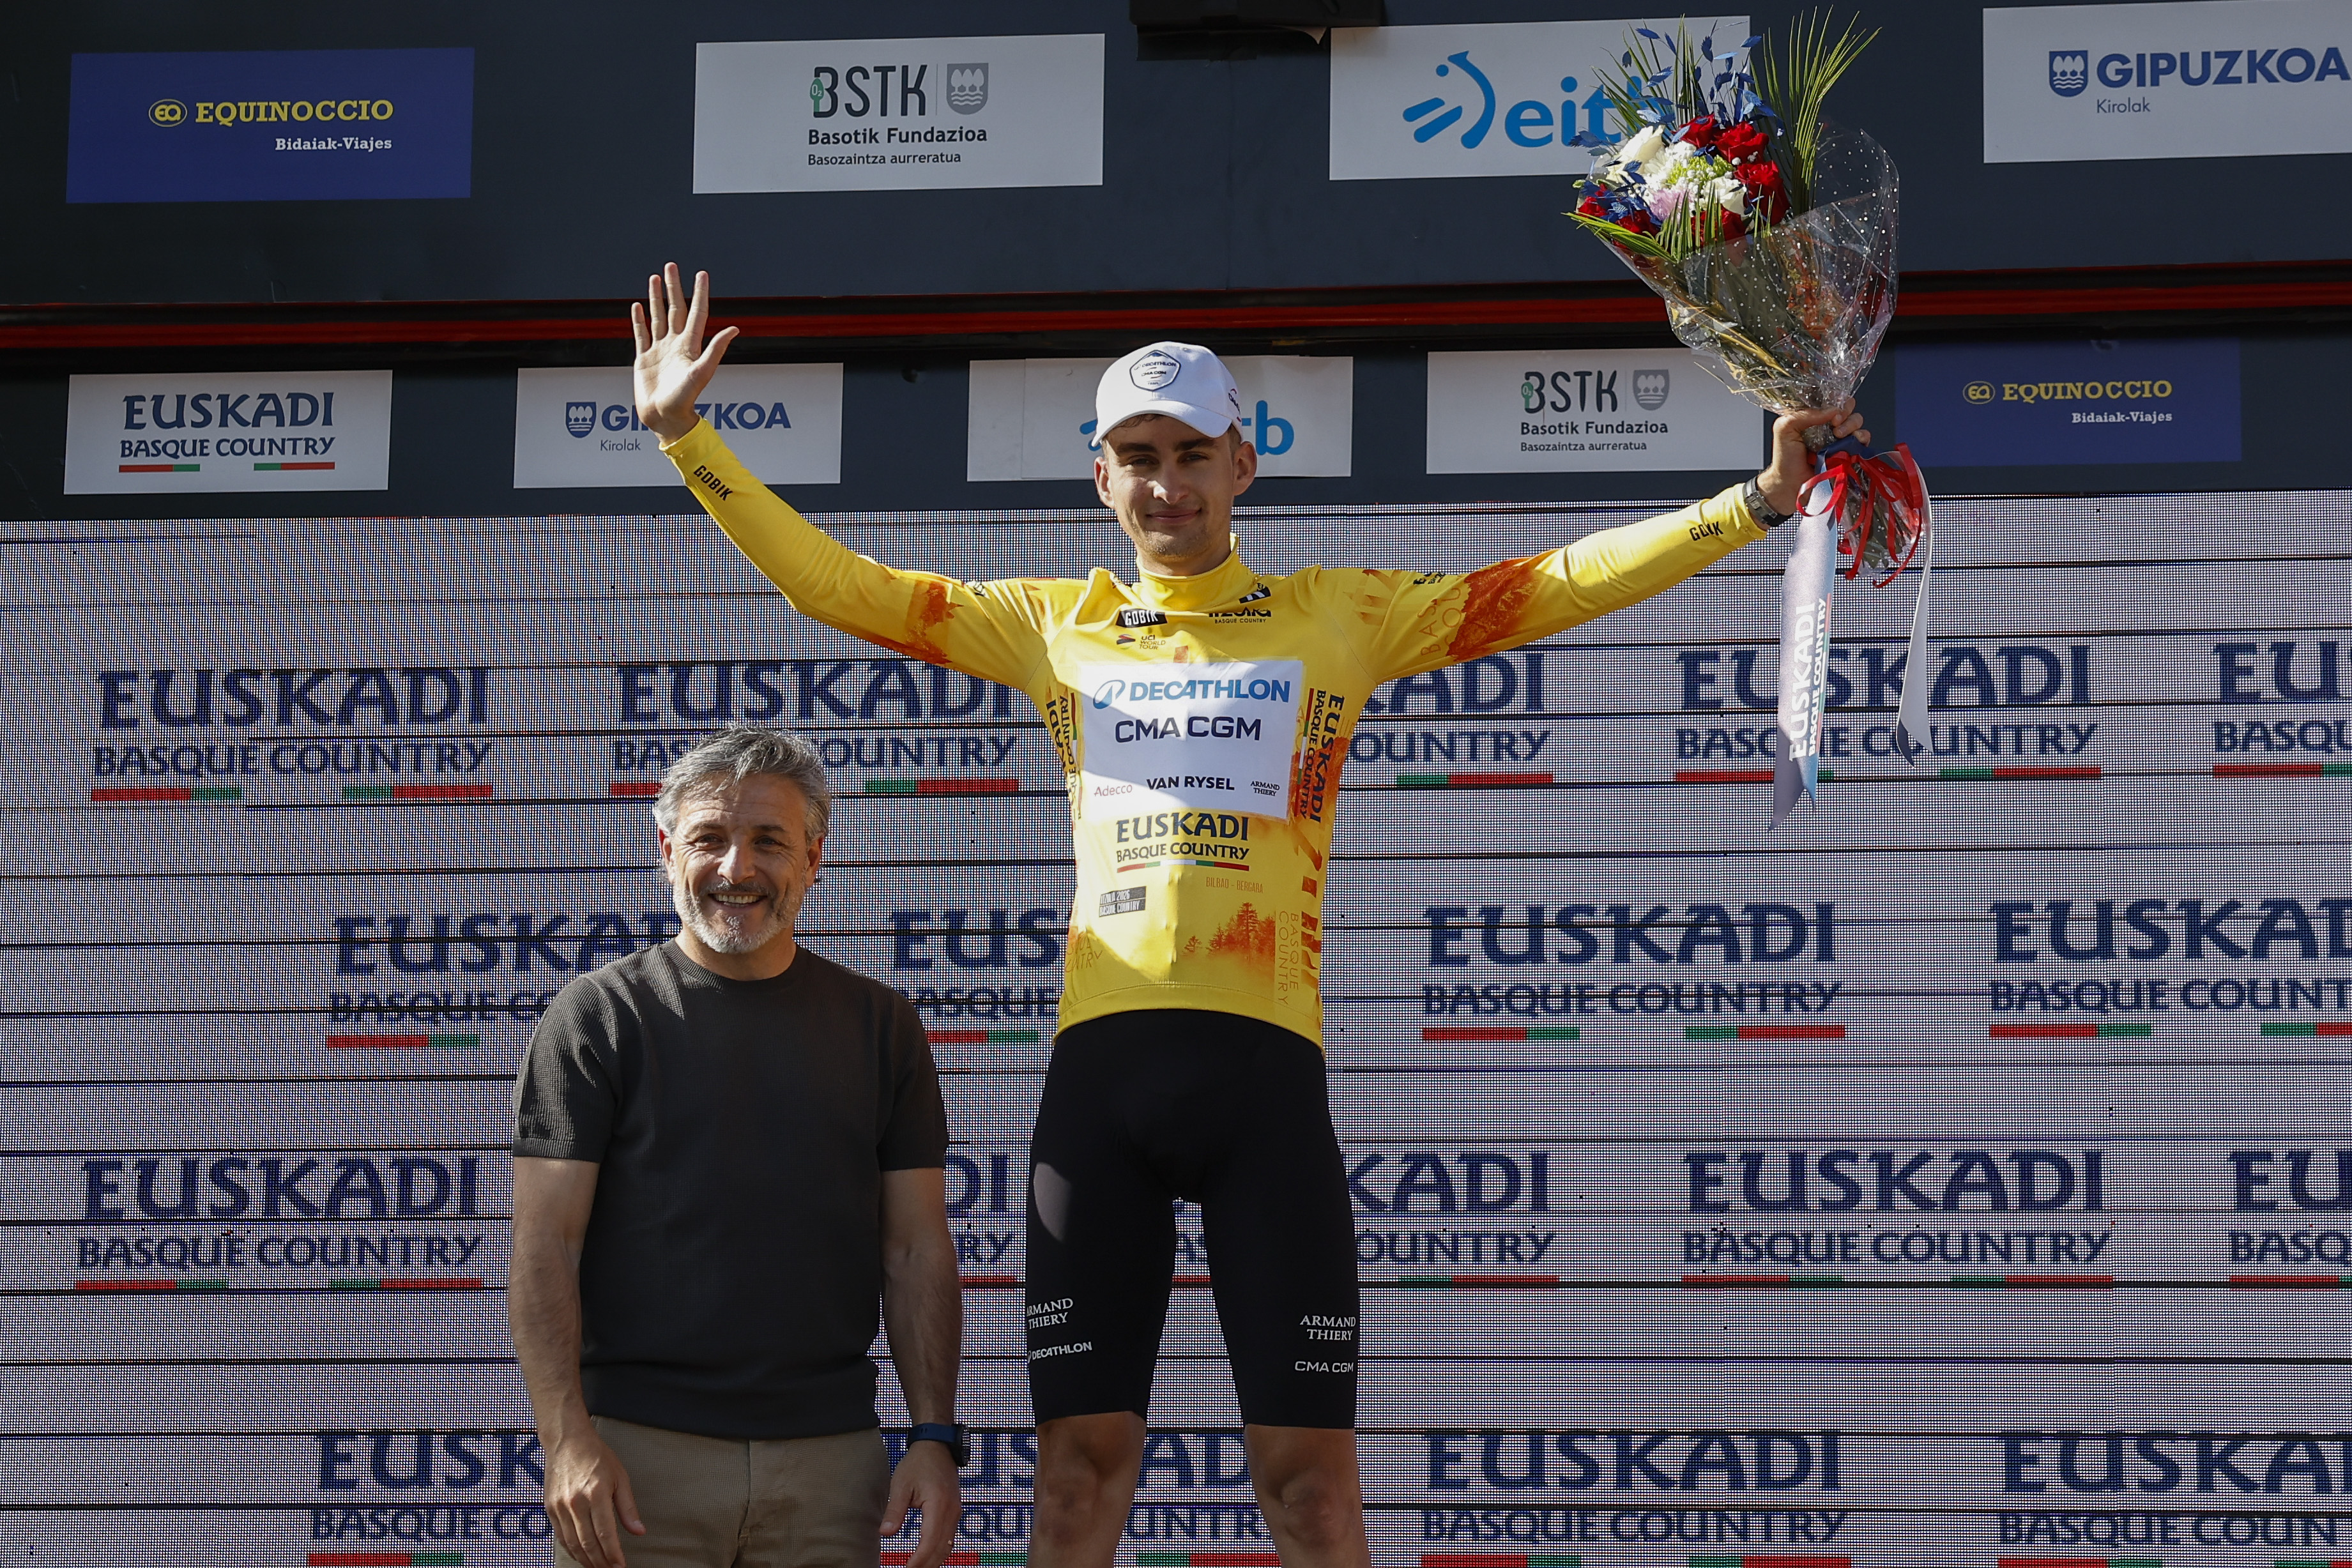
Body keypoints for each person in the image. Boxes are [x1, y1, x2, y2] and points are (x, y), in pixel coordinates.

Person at [630, 264, 1866, 1568]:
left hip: (1264, 1085)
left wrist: (1752, 502)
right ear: (1100, 480)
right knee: (1074, 1479)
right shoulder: (1052, 625)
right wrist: (686, 437)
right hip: (1100, 1086)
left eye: (1188, 456)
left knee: (1311, 1489)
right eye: (1136, 459)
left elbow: (1549, 584)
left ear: (1243, 463)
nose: (1165, 486)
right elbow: (836, 586)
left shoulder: (1337, 616)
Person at [508, 724, 965, 1568]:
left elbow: (915, 1250)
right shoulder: (597, 1017)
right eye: (709, 839)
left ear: (813, 857)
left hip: (830, 1472)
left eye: (768, 841)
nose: (736, 868)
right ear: (666, 851)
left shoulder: (881, 1026)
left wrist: (934, 1436)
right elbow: (545, 1244)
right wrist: (567, 1440)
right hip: (636, 1471)